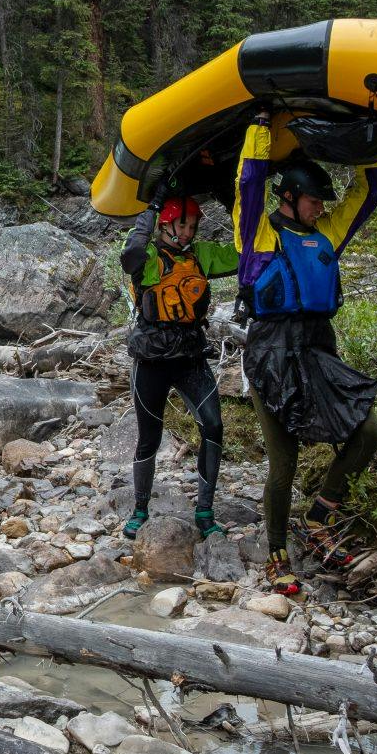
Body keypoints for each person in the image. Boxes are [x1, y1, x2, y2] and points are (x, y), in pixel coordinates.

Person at [235, 108, 377, 596]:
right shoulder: (258, 235)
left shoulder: (326, 235)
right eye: (314, 200)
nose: (322, 206)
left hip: (319, 349)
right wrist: (260, 128)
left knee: (370, 430)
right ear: (289, 198)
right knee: (285, 461)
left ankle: (321, 518)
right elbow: (250, 181)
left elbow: (372, 192)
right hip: (272, 355)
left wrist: (369, 144)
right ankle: (276, 553)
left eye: (324, 200)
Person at [119, 191, 239, 541]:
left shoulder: (200, 256)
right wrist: (150, 210)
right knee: (148, 439)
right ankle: (140, 509)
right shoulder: (151, 256)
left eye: (192, 226)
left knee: (213, 426)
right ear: (166, 224)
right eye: (181, 225)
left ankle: (204, 510)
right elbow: (131, 256)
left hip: (191, 357)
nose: (187, 232)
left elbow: (242, 255)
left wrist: (239, 205)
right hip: (151, 359)